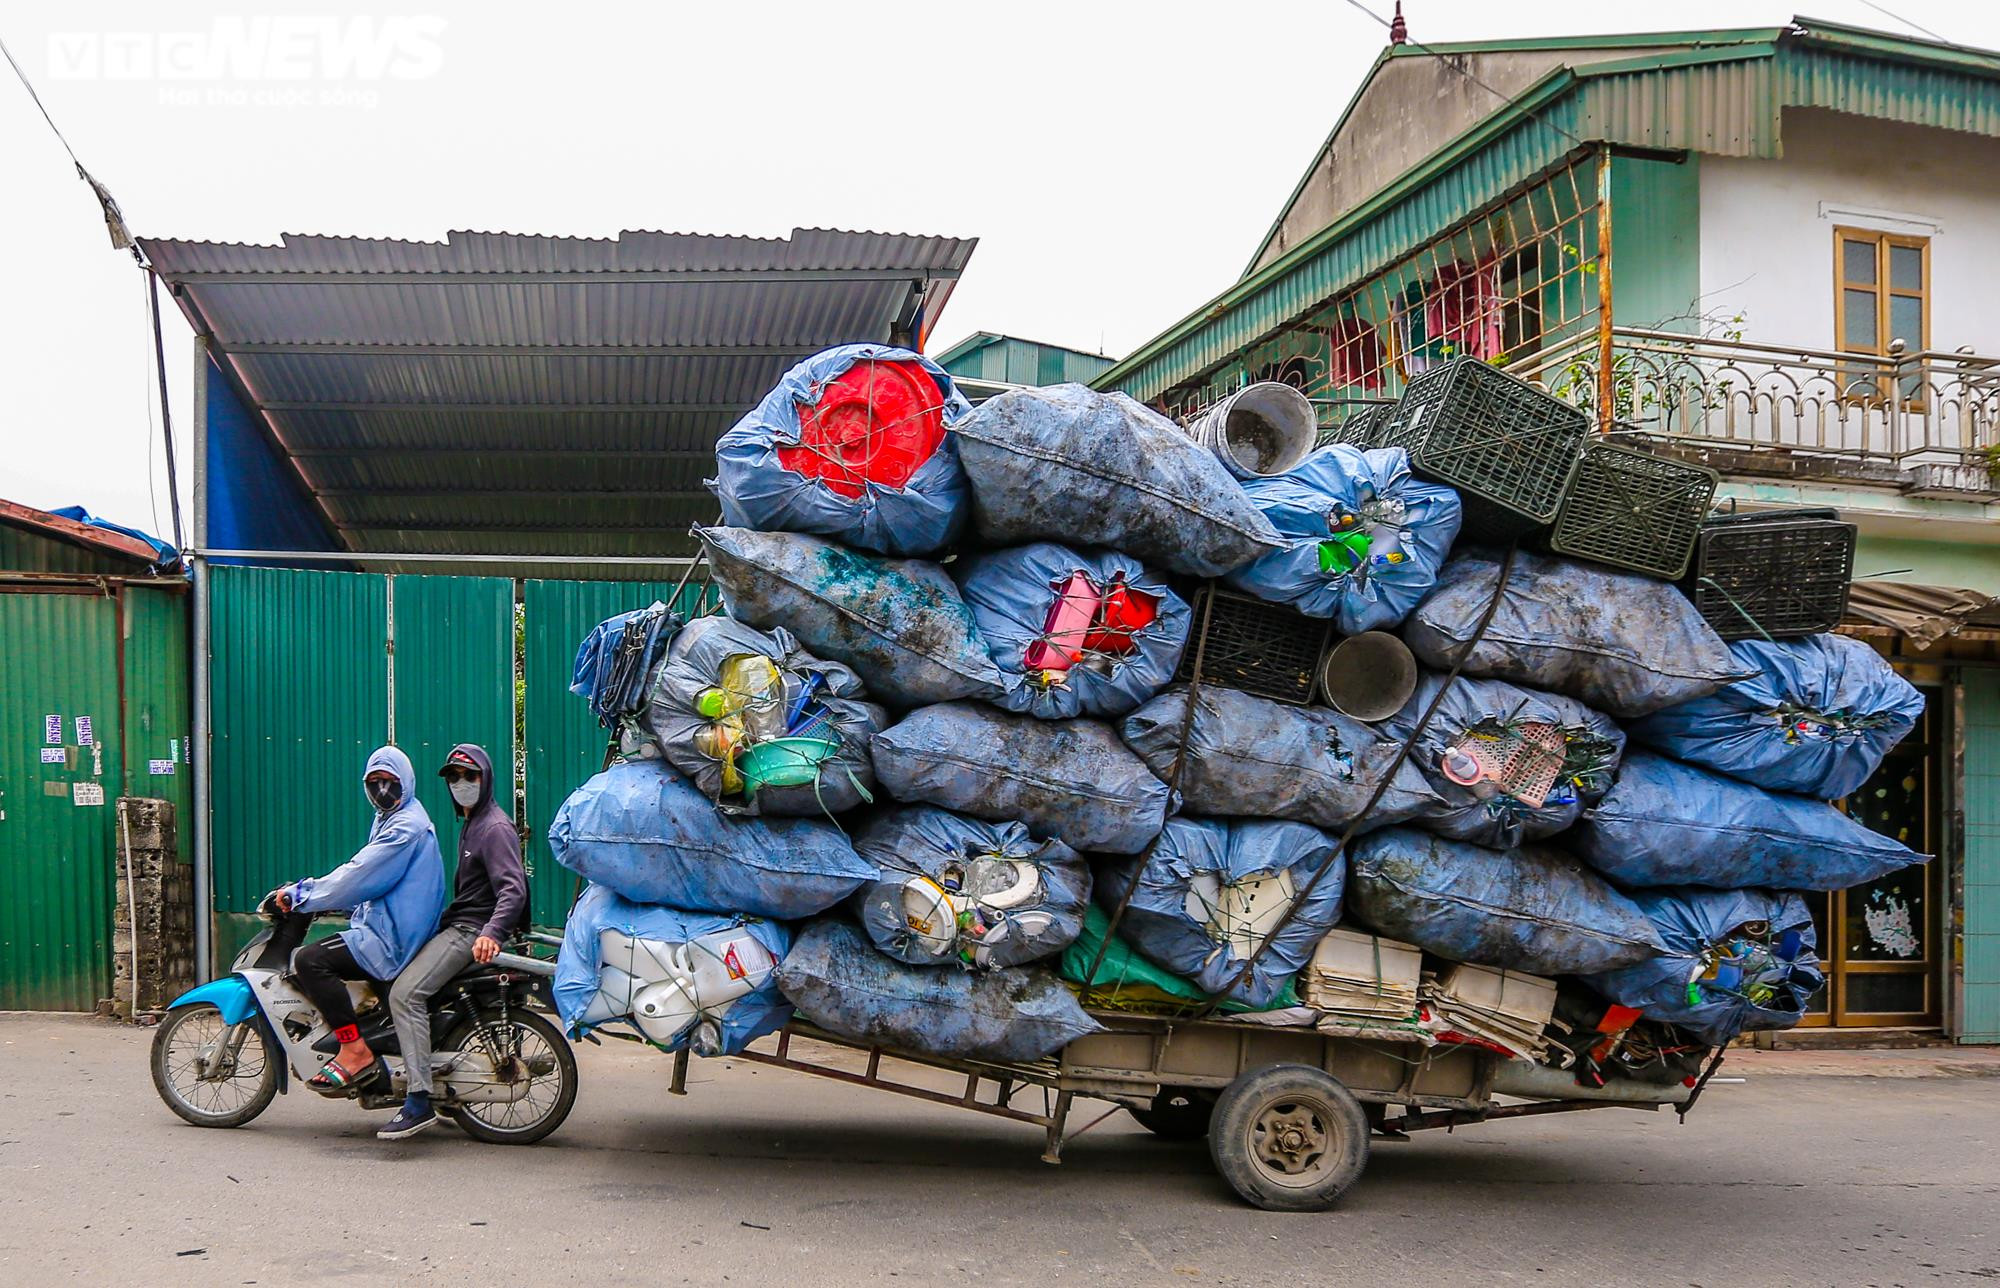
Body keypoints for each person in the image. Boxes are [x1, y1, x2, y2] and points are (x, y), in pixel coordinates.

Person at [379, 743, 529, 1140]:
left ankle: (418, 1100)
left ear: (486, 778)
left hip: (470, 932)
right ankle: (435, 1075)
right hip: (462, 924)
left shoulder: (493, 828)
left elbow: (513, 889)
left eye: (470, 775)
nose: (461, 783)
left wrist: (491, 932)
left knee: (405, 995)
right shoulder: (472, 823)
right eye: (454, 777)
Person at [279, 746, 446, 1093]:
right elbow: (376, 882)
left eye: (390, 780)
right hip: (389, 926)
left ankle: (354, 1049)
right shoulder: (392, 817)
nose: (382, 789)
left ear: (406, 781)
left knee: (310, 960)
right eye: (374, 781)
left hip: (392, 938)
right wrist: (339, 905)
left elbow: (359, 875)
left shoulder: (405, 827)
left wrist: (304, 894)